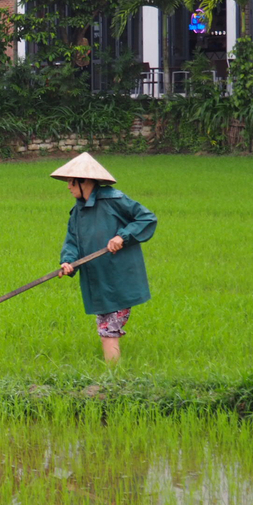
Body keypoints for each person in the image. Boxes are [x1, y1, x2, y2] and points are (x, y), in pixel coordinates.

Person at [52, 153, 157, 362]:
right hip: (97, 279)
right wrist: (68, 261)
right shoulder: (77, 212)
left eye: (71, 182)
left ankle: (112, 378)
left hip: (118, 277)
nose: (68, 187)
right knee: (105, 327)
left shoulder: (114, 200)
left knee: (109, 329)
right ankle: (112, 376)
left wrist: (122, 236)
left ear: (85, 181)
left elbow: (147, 218)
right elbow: (72, 240)